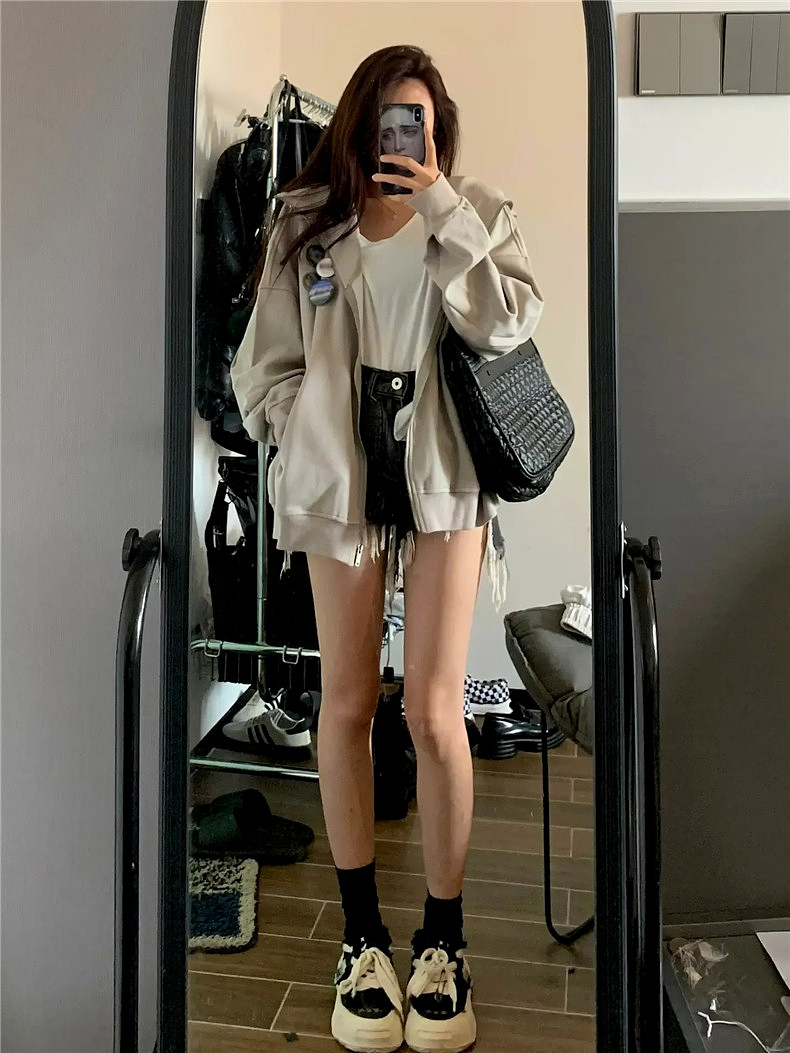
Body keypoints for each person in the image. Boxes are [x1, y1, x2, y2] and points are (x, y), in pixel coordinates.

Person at [231, 43, 544, 1053]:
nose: (397, 138)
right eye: (381, 121)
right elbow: (260, 367)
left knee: (436, 712)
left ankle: (442, 942)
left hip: (444, 479)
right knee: (348, 703)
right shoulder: (304, 220)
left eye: (416, 122)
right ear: (355, 126)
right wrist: (305, 433)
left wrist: (444, 208)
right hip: (343, 487)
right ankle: (361, 940)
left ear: (438, 132)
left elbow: (506, 327)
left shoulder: (475, 212)